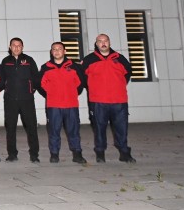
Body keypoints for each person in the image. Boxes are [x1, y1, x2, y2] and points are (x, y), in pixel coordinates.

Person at [81, 34, 135, 163]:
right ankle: (100, 153)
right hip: (98, 101)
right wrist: (94, 88)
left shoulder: (120, 58)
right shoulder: (89, 59)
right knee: (99, 128)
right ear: (96, 44)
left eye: (105, 41)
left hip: (119, 101)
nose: (103, 43)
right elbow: (82, 77)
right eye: (100, 41)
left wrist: (118, 86)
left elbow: (127, 74)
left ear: (109, 42)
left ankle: (124, 153)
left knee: (121, 129)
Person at [37, 42, 87, 164]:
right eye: (54, 49)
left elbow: (80, 84)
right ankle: (54, 154)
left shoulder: (74, 66)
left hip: (71, 105)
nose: (57, 51)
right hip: (53, 106)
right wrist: (51, 94)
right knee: (54, 131)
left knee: (74, 131)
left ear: (64, 51)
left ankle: (77, 154)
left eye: (59, 49)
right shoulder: (46, 67)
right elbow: (40, 85)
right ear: (51, 52)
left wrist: (71, 94)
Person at [1, 37, 40, 163]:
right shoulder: (5, 61)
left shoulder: (29, 60)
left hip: (27, 100)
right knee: (10, 127)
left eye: (19, 45)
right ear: (10, 47)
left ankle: (34, 154)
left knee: (31, 127)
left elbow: (36, 78)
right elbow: (1, 80)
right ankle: (12, 154)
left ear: (22, 47)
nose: (16, 48)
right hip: (10, 100)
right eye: (14, 45)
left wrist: (30, 91)